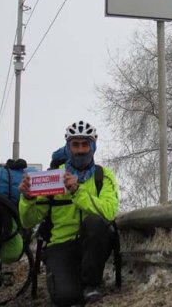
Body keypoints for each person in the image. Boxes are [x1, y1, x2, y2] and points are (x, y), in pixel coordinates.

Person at [18, 120, 119, 307]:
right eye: (75, 145)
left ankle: (91, 284)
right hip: (60, 245)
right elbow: (27, 221)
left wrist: (77, 192)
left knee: (96, 222)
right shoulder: (53, 177)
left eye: (85, 144)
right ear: (68, 147)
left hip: (91, 246)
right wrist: (28, 199)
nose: (80, 150)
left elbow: (109, 212)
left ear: (93, 146)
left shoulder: (103, 176)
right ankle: (69, 281)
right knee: (65, 298)